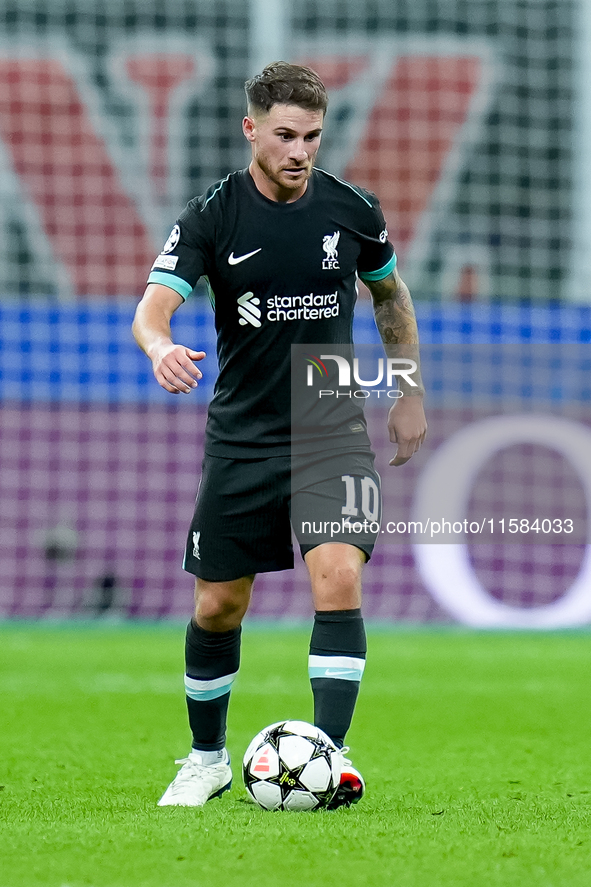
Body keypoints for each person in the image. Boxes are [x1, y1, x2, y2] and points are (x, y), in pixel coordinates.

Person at [132, 61, 427, 808]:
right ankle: (206, 758)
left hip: (330, 420)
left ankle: (329, 755)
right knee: (218, 606)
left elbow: (390, 298)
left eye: (313, 137)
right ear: (252, 129)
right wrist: (160, 347)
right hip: (244, 434)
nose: (300, 150)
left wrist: (407, 391)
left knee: (339, 575)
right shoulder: (212, 216)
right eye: (287, 135)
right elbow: (152, 308)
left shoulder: (352, 209)